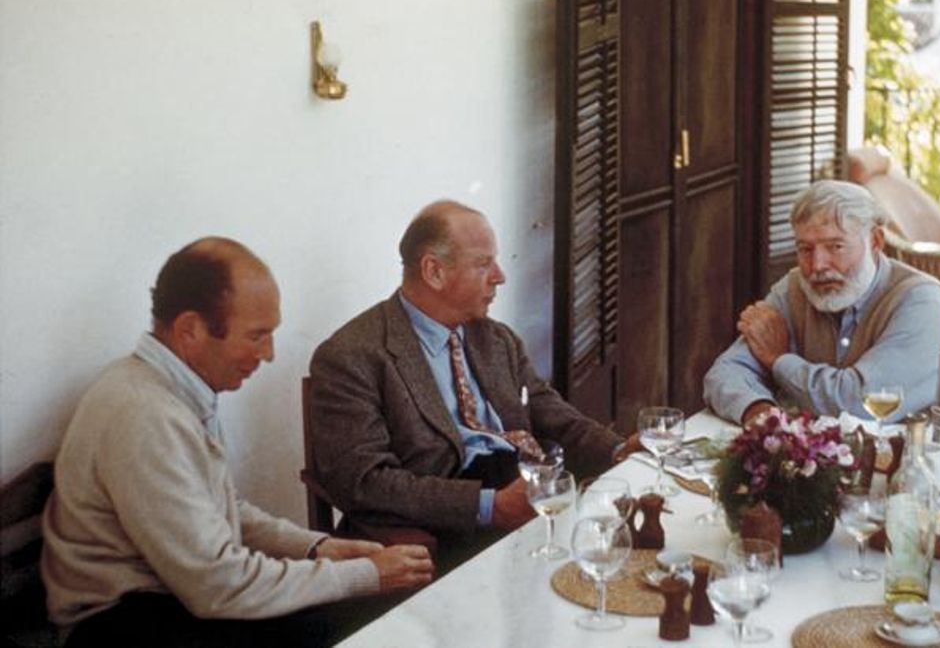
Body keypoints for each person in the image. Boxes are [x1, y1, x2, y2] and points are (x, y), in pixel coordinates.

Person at [41, 238, 433, 648]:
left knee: (346, 615)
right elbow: (217, 584)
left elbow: (219, 508)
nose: (269, 354)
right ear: (190, 330)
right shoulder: (143, 414)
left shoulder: (174, 390)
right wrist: (365, 575)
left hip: (174, 592)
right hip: (117, 621)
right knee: (335, 625)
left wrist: (318, 548)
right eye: (256, 336)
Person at [308, 200, 637, 566]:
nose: (499, 275)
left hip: (528, 490)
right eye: (483, 263)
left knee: (624, 555)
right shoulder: (351, 356)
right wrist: (490, 507)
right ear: (434, 271)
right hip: (449, 521)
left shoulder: (496, 339)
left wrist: (618, 451)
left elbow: (549, 411)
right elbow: (364, 481)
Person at [703, 181, 940, 427]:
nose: (818, 266)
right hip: (818, 463)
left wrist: (779, 360)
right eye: (805, 249)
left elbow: (859, 403)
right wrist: (759, 412)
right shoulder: (794, 289)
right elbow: (725, 373)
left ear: (875, 242)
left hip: (910, 460)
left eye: (836, 246)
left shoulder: (921, 301)